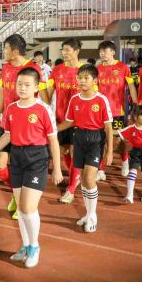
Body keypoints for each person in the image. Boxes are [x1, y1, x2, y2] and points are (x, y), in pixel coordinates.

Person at [0, 67, 62, 267]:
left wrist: (57, 168)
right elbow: (8, 135)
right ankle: (25, 244)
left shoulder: (43, 109)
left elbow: (53, 141)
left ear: (36, 87)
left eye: (27, 85)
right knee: (21, 208)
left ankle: (34, 246)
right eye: (19, 84)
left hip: (37, 159)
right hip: (17, 158)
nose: (22, 88)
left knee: (29, 208)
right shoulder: (11, 108)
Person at [0, 34, 46, 220]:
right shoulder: (6, 67)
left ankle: (22, 198)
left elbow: (41, 96)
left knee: (20, 166)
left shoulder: (33, 69)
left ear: (14, 51)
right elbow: (1, 93)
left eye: (5, 48)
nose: (3, 52)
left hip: (25, 127)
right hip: (6, 125)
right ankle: (16, 194)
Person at [57, 64, 113, 233]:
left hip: (96, 139)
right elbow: (69, 121)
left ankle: (92, 216)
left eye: (86, 78)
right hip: (79, 137)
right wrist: (52, 129)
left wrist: (109, 151)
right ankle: (88, 214)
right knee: (82, 177)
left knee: (89, 178)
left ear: (95, 80)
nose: (82, 80)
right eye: (79, 77)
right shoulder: (75, 99)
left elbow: (108, 127)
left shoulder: (101, 99)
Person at [46, 38, 85, 204]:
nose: (64, 52)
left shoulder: (84, 70)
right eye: (63, 49)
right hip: (61, 119)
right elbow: (48, 92)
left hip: (79, 120)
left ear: (77, 51)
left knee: (75, 152)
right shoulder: (57, 70)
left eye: (68, 49)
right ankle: (75, 177)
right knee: (66, 152)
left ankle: (71, 189)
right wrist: (47, 109)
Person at [96, 41, 138, 180]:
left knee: (118, 140)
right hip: (101, 112)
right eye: (100, 52)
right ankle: (100, 170)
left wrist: (136, 104)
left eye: (105, 51)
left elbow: (131, 86)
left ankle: (125, 161)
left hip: (118, 111)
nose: (102, 54)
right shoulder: (98, 68)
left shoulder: (123, 67)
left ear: (113, 52)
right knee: (101, 140)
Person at [118, 106, 142, 203]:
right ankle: (129, 195)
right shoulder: (130, 129)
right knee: (132, 171)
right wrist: (106, 130)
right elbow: (119, 133)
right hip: (135, 152)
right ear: (135, 117)